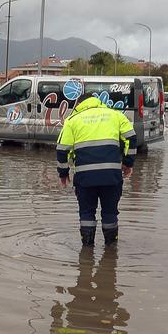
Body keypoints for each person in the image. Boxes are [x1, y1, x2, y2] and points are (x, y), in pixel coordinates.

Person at [56, 92, 137, 246]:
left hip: (85, 178)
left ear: (79, 104)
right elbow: (131, 138)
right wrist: (128, 163)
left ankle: (86, 253)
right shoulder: (115, 115)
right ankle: (111, 253)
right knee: (110, 213)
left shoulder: (72, 120)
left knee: (86, 213)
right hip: (111, 176)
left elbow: (62, 149)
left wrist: (63, 173)